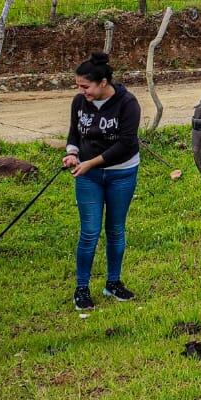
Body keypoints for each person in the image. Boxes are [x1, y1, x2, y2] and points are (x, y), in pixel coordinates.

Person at [64, 53, 141, 311]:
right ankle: (82, 288)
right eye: (78, 86)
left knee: (116, 229)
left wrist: (91, 162)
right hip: (89, 176)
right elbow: (75, 132)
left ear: (103, 82)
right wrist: (72, 153)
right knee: (89, 231)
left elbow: (126, 144)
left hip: (122, 173)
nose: (81, 91)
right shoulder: (79, 102)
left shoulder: (128, 103)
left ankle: (113, 283)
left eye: (85, 86)